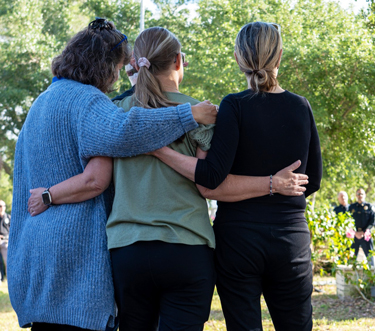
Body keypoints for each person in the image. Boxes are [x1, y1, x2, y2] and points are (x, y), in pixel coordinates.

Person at [28, 26, 309, 331]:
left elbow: (98, 179)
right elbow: (207, 182)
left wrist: (49, 194)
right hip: (187, 248)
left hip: (128, 250)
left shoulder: (115, 113)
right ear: (178, 61)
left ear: (136, 63)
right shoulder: (203, 113)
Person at [9, 18, 220, 331]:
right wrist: (189, 114)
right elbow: (123, 134)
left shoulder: (42, 103)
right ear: (104, 65)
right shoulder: (87, 101)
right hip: (74, 252)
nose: (118, 77)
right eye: (119, 68)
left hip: (36, 250)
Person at [147, 22, 322, 331]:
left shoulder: (234, 106)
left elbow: (210, 179)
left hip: (238, 243)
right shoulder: (301, 107)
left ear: (238, 58)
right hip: (290, 240)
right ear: (279, 55)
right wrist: (275, 186)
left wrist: (160, 150)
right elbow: (313, 182)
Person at [348, 188, 375, 258]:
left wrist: (364, 232)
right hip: (354, 236)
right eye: (358, 194)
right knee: (351, 258)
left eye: (362, 194)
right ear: (356, 195)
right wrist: (355, 232)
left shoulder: (369, 207)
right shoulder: (351, 207)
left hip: (366, 236)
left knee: (370, 259)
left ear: (365, 195)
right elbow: (348, 220)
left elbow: (372, 221)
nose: (360, 195)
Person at [0, 200, 9, 282]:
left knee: (7, 261)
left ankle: (9, 278)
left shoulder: (8, 217)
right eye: (0, 206)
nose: (1, 208)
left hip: (5, 241)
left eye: (2, 206)